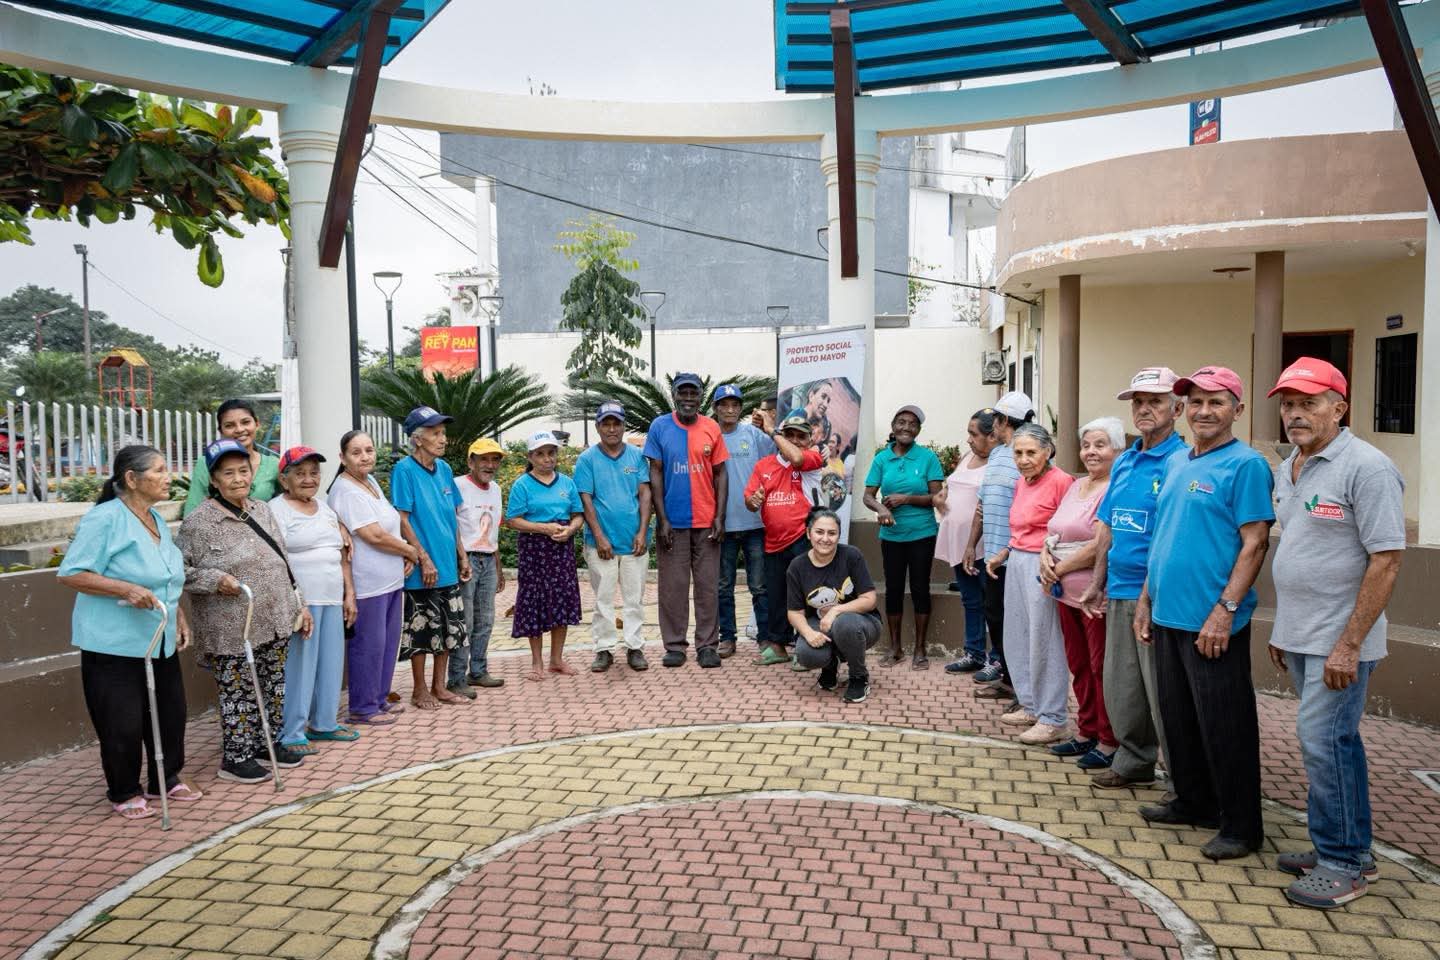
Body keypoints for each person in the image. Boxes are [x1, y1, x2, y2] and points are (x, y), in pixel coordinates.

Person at [1265, 357, 1404, 908]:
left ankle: (1343, 863)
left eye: (1309, 403)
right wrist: (1284, 629)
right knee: (1333, 744)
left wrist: (1349, 644)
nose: (1295, 414)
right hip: (1302, 635)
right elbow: (1303, 549)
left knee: (1323, 742)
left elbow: (1387, 560)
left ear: (1339, 407)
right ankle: (1349, 847)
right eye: (1288, 404)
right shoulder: (1292, 465)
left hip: (1340, 642)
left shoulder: (1367, 468)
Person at [1134, 366, 1274, 861]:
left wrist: (1225, 610)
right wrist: (1146, 600)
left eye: (1216, 402)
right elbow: (1162, 536)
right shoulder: (1178, 461)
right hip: (1168, 614)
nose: (1204, 411)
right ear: (1183, 409)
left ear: (1238, 408)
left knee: (1226, 725)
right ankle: (1194, 802)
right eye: (1195, 402)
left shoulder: (1246, 465)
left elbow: (1255, 543)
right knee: (1180, 720)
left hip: (1212, 622)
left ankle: (1241, 826)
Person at [58, 445, 198, 820]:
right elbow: (71, 573)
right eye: (159, 470)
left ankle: (165, 779)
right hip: (113, 643)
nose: (168, 477)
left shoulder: (154, 519)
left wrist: (178, 614)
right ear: (132, 479)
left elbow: (166, 577)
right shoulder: (104, 519)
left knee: (169, 714)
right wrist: (125, 589)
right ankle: (124, 791)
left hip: (158, 638)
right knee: (122, 721)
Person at [178, 438, 311, 784]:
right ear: (214, 480)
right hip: (231, 627)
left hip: (274, 617)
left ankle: (267, 743)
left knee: (273, 686)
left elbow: (283, 559)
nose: (238, 478)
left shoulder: (261, 510)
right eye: (228, 473)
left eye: (243, 471)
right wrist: (215, 579)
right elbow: (180, 572)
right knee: (238, 691)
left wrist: (300, 603)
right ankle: (236, 758)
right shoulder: (198, 522)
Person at [1081, 368, 1186, 791]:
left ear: (1177, 409)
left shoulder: (1181, 461)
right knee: (1123, 687)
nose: (1144, 409)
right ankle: (1134, 762)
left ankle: (1183, 782)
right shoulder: (1125, 460)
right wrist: (1097, 582)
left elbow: (1171, 533)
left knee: (1163, 694)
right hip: (1120, 589)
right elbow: (1107, 525)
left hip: (1157, 595)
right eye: (1138, 402)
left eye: (1155, 401)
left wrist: (1147, 594)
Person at [1041, 418, 1122, 769]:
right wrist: (1045, 555)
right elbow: (1055, 529)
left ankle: (1109, 739)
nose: (1091, 451)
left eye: (1100, 445)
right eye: (1086, 445)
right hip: (1064, 593)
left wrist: (1059, 568)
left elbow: (1100, 544)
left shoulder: (1116, 487)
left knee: (1100, 666)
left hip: (1094, 593)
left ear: (1117, 450)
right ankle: (1086, 730)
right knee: (1078, 664)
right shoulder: (1077, 485)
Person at [988, 423, 1074, 746]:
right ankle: (1031, 705)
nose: (1023, 460)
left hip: (1044, 565)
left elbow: (1068, 528)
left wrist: (1052, 561)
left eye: (1030, 453)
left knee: (1045, 639)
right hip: (1017, 562)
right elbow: (1021, 529)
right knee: (1018, 635)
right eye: (1018, 453)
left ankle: (1053, 718)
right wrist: (1004, 553)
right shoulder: (1021, 482)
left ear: (1047, 451)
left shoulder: (1062, 481)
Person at [269, 446, 358, 755]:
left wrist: (349, 594)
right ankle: (292, 732)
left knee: (330, 663)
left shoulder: (325, 509)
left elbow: (341, 554)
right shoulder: (276, 510)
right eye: (300, 474)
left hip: (332, 598)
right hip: (301, 603)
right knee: (300, 666)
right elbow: (276, 560)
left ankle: (324, 723)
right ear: (284, 480)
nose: (309, 479)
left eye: (314, 473)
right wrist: (297, 602)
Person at [326, 430, 417, 726]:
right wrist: (411, 550)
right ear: (342, 458)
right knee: (368, 646)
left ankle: (379, 698)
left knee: (387, 645)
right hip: (367, 585)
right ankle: (362, 708)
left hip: (390, 580)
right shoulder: (345, 490)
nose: (365, 457)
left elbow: (388, 526)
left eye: (369, 450)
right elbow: (373, 535)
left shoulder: (370, 482)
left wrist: (403, 552)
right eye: (356, 452)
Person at [645, 372, 729, 669]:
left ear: (701, 397)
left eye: (694, 393)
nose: (689, 399)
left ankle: (707, 646)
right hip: (672, 523)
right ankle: (674, 646)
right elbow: (655, 472)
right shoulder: (659, 426)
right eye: (683, 393)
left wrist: (720, 517)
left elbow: (721, 474)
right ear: (674, 395)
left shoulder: (711, 427)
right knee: (673, 588)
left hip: (706, 523)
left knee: (707, 587)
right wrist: (662, 519)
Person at [392, 406, 471, 710]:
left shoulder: (445, 469)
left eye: (443, 433)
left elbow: (452, 517)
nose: (443, 439)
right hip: (423, 568)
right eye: (435, 434)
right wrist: (423, 558)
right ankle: (419, 690)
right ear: (417, 439)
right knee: (422, 630)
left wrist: (462, 555)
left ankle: (440, 687)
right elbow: (402, 518)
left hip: (448, 564)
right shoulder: (404, 470)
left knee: (449, 630)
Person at [863, 404, 945, 669]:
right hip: (892, 535)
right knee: (894, 588)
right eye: (901, 422)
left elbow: (937, 498)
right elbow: (868, 495)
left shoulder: (927, 458)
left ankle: (920, 649)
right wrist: (881, 508)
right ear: (893, 426)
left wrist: (906, 499)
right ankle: (895, 648)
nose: (906, 427)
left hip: (922, 534)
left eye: (912, 424)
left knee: (920, 588)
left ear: (918, 430)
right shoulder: (882, 459)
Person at [575, 402, 653, 673]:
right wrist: (599, 536)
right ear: (597, 427)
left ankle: (634, 647)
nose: (611, 429)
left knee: (634, 599)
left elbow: (645, 493)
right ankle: (604, 649)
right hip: (601, 545)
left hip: (634, 543)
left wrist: (642, 531)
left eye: (616, 423)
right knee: (603, 599)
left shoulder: (637, 456)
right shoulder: (587, 459)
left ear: (623, 426)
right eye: (606, 424)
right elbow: (585, 499)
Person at [744, 411, 827, 664]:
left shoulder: (812, 457)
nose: (794, 440)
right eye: (789, 434)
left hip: (803, 539)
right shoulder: (764, 465)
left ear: (809, 440)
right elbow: (749, 501)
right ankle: (778, 647)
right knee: (776, 596)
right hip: (773, 541)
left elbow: (796, 457)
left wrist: (773, 430)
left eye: (800, 436)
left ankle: (807, 649)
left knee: (807, 595)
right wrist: (753, 500)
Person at [967, 394, 1033, 706]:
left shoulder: (1027, 457)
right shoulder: (997, 455)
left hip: (1016, 557)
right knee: (995, 618)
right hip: (992, 558)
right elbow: (983, 504)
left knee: (1017, 625)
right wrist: (971, 545)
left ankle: (1025, 691)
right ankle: (1008, 680)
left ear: (1003, 421)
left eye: (995, 419)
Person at [506, 431, 585, 680]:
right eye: (540, 454)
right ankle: (537, 662)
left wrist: (570, 530)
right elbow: (513, 520)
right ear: (530, 457)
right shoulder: (522, 485)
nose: (547, 458)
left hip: (561, 549)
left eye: (551, 453)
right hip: (534, 550)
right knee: (534, 602)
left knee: (562, 599)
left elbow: (578, 515)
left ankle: (556, 660)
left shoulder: (567, 483)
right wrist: (543, 528)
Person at [788, 507, 882, 703]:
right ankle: (830, 665)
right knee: (806, 654)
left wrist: (836, 610)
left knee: (844, 623)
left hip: (862, 623)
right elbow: (794, 612)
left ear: (839, 535)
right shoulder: (797, 566)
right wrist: (808, 633)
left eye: (832, 533)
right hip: (821, 624)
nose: (825, 539)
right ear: (808, 533)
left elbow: (869, 599)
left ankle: (859, 677)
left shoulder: (851, 556)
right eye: (819, 532)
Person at [713, 383, 774, 659]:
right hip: (722, 526)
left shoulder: (753, 434)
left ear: (740, 409)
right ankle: (727, 637)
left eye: (735, 405)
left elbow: (778, 456)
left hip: (755, 525)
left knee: (759, 586)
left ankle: (765, 637)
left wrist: (769, 424)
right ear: (716, 408)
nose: (730, 410)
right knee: (723, 586)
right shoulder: (710, 435)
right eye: (724, 405)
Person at [448, 437, 508, 697]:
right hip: (466, 560)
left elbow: (493, 530)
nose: (490, 465)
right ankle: (456, 678)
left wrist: (499, 566)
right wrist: (461, 558)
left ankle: (478, 671)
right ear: (470, 462)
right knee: (466, 621)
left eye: (495, 460)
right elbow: (451, 526)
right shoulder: (457, 485)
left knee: (486, 619)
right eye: (484, 459)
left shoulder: (496, 489)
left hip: (488, 561)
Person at [939, 411, 997, 673]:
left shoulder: (998, 463)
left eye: (974, 434)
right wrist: (941, 496)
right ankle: (974, 653)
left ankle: (996, 659)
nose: (969, 439)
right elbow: (950, 487)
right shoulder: (966, 457)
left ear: (991, 436)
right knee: (970, 600)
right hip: (958, 543)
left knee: (992, 604)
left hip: (982, 545)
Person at [182, 399, 279, 517]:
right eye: (229, 425)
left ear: (257, 424)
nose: (239, 429)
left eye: (245, 422)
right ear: (221, 431)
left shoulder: (273, 465)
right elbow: (192, 513)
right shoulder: (206, 463)